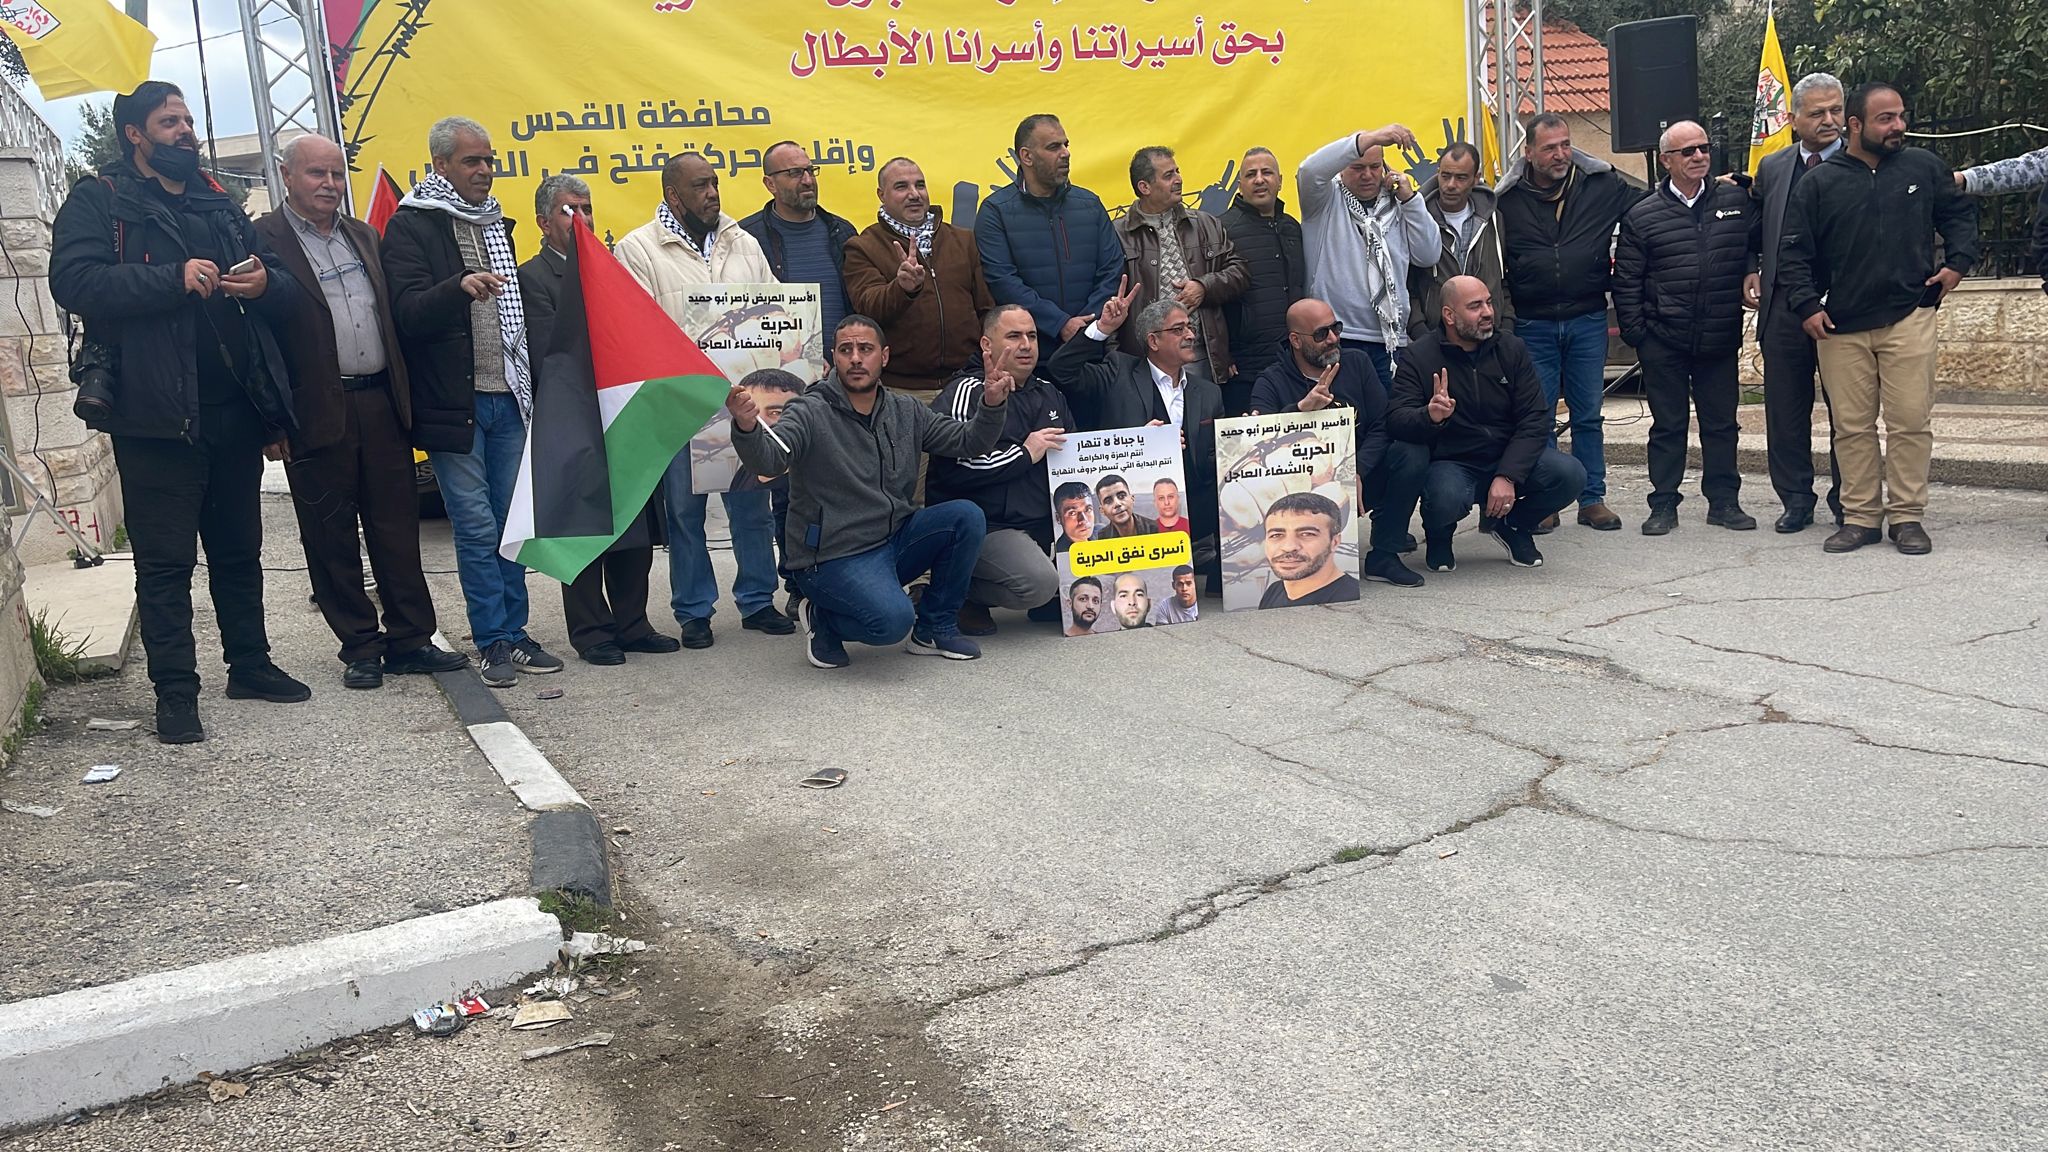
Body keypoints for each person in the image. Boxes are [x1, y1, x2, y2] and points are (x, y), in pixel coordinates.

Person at [50, 81, 308, 743]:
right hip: (154, 416)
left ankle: (250, 665)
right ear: (135, 134)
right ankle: (175, 693)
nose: (185, 130)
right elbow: (73, 281)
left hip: (233, 408)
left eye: (188, 119)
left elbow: (281, 285)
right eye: (170, 121)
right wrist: (171, 277)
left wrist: (264, 283)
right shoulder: (101, 198)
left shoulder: (215, 198)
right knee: (165, 564)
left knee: (239, 551)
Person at [255, 133, 467, 689]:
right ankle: (360, 646)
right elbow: (256, 340)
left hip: (380, 402)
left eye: (336, 174)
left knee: (396, 528)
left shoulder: (365, 236)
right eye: (316, 174)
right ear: (286, 176)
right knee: (330, 536)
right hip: (312, 411)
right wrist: (270, 420)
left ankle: (411, 640)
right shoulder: (262, 239)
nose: (329, 184)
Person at [385, 116, 565, 687]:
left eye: (489, 160)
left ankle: (516, 633)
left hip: (509, 396)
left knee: (512, 525)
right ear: (440, 165)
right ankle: (491, 639)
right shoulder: (411, 225)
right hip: (454, 404)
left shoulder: (495, 223)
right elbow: (406, 312)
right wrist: (456, 287)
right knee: (476, 525)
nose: (485, 170)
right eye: (472, 161)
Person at [730, 315, 1012, 667]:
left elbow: (969, 442)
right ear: (834, 357)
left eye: (865, 349)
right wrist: (746, 428)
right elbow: (771, 461)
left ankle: (934, 628)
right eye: (846, 350)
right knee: (892, 623)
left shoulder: (906, 409)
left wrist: (992, 404)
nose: (856, 358)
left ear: (885, 356)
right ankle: (822, 619)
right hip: (831, 557)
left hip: (893, 540)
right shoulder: (808, 410)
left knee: (965, 516)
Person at [1780, 82, 1978, 555]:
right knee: (1852, 428)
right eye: (1886, 119)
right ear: (1856, 125)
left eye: (1900, 116)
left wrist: (1957, 265)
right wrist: (1807, 306)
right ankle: (1861, 518)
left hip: (1909, 316)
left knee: (1910, 421)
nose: (1898, 127)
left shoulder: (1922, 167)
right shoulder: (1819, 183)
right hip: (1840, 327)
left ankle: (1907, 517)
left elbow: (1959, 216)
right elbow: (1792, 251)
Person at [614, 154, 796, 645]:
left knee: (751, 506)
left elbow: (776, 309)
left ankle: (758, 601)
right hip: (679, 405)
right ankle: (694, 611)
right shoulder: (638, 249)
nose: (713, 193)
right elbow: (638, 330)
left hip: (743, 403)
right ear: (673, 195)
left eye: (715, 183)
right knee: (684, 513)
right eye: (700, 186)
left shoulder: (743, 242)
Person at [518, 175, 681, 666]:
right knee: (583, 527)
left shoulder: (611, 269)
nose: (582, 219)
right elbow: (551, 352)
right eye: (569, 210)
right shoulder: (535, 277)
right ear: (544, 222)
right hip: (574, 417)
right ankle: (591, 631)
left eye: (587, 209)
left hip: (623, 411)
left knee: (632, 523)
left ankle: (633, 624)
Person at [1495, 113, 1643, 532]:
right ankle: (1546, 499)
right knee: (1537, 418)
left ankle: (1592, 499)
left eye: (1565, 145)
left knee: (1588, 415)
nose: (1560, 154)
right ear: (1528, 153)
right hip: (1532, 323)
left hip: (1587, 318)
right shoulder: (1506, 201)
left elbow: (1654, 203)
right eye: (1549, 148)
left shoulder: (1601, 185)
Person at [1613, 120, 1761, 536]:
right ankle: (1663, 504)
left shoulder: (1735, 199)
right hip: (1664, 340)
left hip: (1718, 335)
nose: (1699, 156)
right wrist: (1640, 337)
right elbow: (1626, 281)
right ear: (1666, 161)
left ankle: (1724, 502)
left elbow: (1754, 241)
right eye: (1688, 151)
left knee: (1722, 425)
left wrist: (1751, 269)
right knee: (1668, 426)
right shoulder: (1643, 215)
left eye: (1704, 148)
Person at [1383, 276, 1587, 572]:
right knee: (1445, 495)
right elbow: (1396, 419)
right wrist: (1429, 416)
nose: (1488, 312)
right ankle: (1439, 535)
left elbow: (1534, 418)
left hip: (1506, 455)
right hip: (1452, 462)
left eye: (1489, 303)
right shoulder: (1419, 356)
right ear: (1449, 315)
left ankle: (1512, 525)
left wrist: (1508, 475)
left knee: (1571, 474)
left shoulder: (1511, 348)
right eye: (1475, 306)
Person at [1046, 281, 1224, 566]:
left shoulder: (1209, 392)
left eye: (1190, 328)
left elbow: (1218, 457)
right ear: (1153, 341)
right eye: (1179, 329)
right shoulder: (1118, 372)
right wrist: (1102, 328)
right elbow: (1061, 370)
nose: (1190, 335)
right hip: (1133, 515)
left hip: (1195, 512)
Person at [927, 304, 1070, 635]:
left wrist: (1143, 441)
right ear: (986, 345)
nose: (1026, 345)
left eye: (1032, 336)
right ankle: (957, 591)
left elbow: (1076, 459)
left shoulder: (1050, 393)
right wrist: (1025, 453)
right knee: (1039, 583)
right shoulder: (966, 391)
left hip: (1040, 525)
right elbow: (958, 466)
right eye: (1014, 336)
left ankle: (1040, 589)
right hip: (988, 526)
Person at [1747, 73, 1850, 532]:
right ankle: (1795, 500)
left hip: (1846, 308)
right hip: (1784, 308)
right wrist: (1749, 266)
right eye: (1817, 113)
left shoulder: (1862, 161)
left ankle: (1849, 499)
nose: (1829, 120)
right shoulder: (1774, 167)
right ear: (1793, 119)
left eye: (1836, 110)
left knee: (1848, 413)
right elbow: (1754, 224)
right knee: (1785, 413)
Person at [1248, 297, 1412, 584]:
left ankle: (1385, 554)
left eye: (1336, 328)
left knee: (1409, 454)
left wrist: (1356, 470)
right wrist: (1300, 411)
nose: (1334, 339)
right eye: (1321, 334)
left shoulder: (1357, 363)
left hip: (1360, 477)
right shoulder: (1271, 381)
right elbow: (1257, 442)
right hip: (1299, 489)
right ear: (1296, 340)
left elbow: (1382, 424)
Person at [1297, 124, 1442, 387]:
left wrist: (1410, 200)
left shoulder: (1399, 203)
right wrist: (1372, 138)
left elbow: (1428, 254)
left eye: (1375, 167)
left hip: (1391, 341)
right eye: (1357, 167)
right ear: (1341, 168)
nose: (1367, 175)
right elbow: (1309, 170)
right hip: (1338, 338)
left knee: (1390, 411)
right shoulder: (1324, 200)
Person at [843, 157, 995, 398]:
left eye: (920, 185)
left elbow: (986, 308)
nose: (914, 194)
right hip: (902, 390)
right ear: (881, 195)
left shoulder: (963, 240)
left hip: (966, 383)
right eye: (901, 187)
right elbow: (868, 307)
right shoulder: (863, 247)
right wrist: (902, 289)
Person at [975, 114, 1123, 348]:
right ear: (1027, 156)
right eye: (1054, 147)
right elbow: (1002, 281)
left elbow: (1112, 269)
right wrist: (1059, 323)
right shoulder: (996, 211)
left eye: (1066, 145)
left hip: (1091, 345)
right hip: (1029, 350)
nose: (1065, 153)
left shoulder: (1090, 204)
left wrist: (1087, 326)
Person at [1115, 146, 1249, 385]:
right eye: (1168, 175)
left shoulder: (1206, 224)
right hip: (1143, 361)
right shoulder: (1117, 234)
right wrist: (1113, 362)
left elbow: (1239, 272)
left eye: (1177, 171)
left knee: (1202, 410)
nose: (1178, 179)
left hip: (1200, 355)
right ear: (1144, 187)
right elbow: (1107, 299)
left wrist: (1204, 287)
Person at [738, 141, 856, 340]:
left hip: (844, 357)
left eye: (810, 170)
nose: (808, 180)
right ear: (770, 184)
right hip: (780, 356)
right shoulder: (745, 238)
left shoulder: (842, 232)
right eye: (795, 173)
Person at [1219, 147, 1306, 412]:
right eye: (1251, 174)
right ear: (1240, 184)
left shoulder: (1292, 227)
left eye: (1267, 173)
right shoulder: (1222, 229)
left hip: (1293, 363)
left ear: (1279, 181)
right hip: (1244, 367)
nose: (1259, 180)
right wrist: (1222, 353)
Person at [1412, 142, 1510, 337]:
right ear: (1437, 173)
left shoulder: (1493, 218)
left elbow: (1503, 277)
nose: (1450, 185)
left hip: (1488, 333)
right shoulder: (1418, 219)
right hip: (1436, 336)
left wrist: (1507, 325)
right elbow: (1408, 282)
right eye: (1445, 176)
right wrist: (1419, 329)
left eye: (1461, 178)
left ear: (1475, 179)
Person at [1258, 492, 1359, 608]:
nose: (1289, 547)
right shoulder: (1274, 590)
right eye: (1276, 535)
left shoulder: (1351, 600)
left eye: (1307, 534)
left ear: (1334, 542)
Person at [1093, 474, 1160, 539]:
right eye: (1108, 501)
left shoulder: (1156, 530)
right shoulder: (1103, 537)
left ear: (1132, 499)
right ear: (1102, 510)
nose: (1117, 504)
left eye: (1121, 496)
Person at [1052, 481, 1096, 553]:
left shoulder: (1101, 534)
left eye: (1088, 509)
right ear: (1058, 518)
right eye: (1072, 513)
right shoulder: (1061, 555)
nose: (1083, 520)